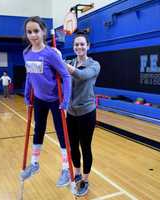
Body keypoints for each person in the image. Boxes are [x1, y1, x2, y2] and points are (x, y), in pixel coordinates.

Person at [20, 16, 72, 188]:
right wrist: (27, 95)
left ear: (43, 31)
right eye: (29, 32)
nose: (33, 35)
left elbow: (65, 76)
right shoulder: (26, 53)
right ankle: (34, 164)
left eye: (36, 31)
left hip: (55, 100)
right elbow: (29, 76)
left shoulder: (50, 54)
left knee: (61, 133)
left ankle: (66, 168)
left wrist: (65, 100)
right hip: (39, 100)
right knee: (38, 130)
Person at [65, 32, 100, 196]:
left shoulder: (94, 65)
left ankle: (85, 180)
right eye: (76, 44)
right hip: (71, 113)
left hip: (87, 113)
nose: (79, 47)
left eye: (82, 44)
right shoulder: (69, 62)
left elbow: (82, 75)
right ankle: (77, 172)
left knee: (85, 146)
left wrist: (63, 65)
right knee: (73, 146)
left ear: (88, 46)